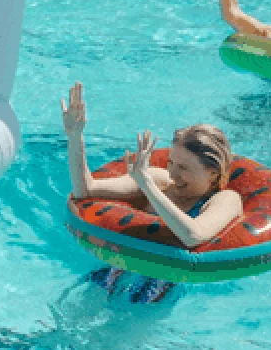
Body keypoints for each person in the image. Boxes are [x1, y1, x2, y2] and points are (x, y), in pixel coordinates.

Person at [60, 83, 243, 303]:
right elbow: (85, 189)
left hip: (156, 295)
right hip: (109, 277)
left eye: (183, 168)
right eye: (171, 163)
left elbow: (193, 235)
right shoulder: (160, 179)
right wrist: (75, 137)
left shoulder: (225, 200)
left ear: (213, 173)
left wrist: (147, 185)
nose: (173, 174)